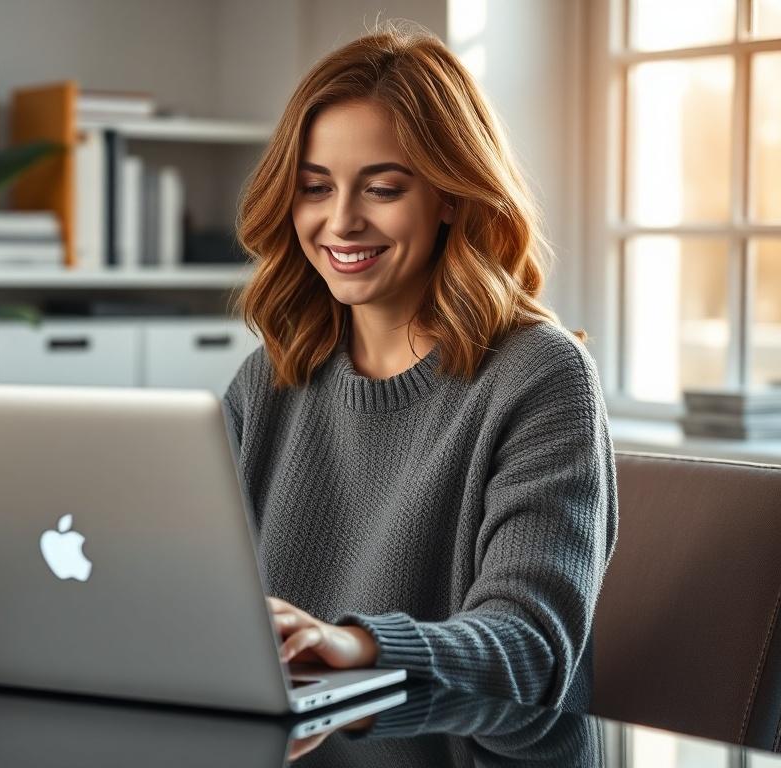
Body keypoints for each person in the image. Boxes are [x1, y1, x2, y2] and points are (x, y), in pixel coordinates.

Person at [222, 21, 618, 714]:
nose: (341, 222)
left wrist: (356, 646)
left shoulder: (542, 376)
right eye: (315, 188)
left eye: (382, 188)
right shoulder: (269, 378)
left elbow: (531, 648)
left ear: (451, 197)